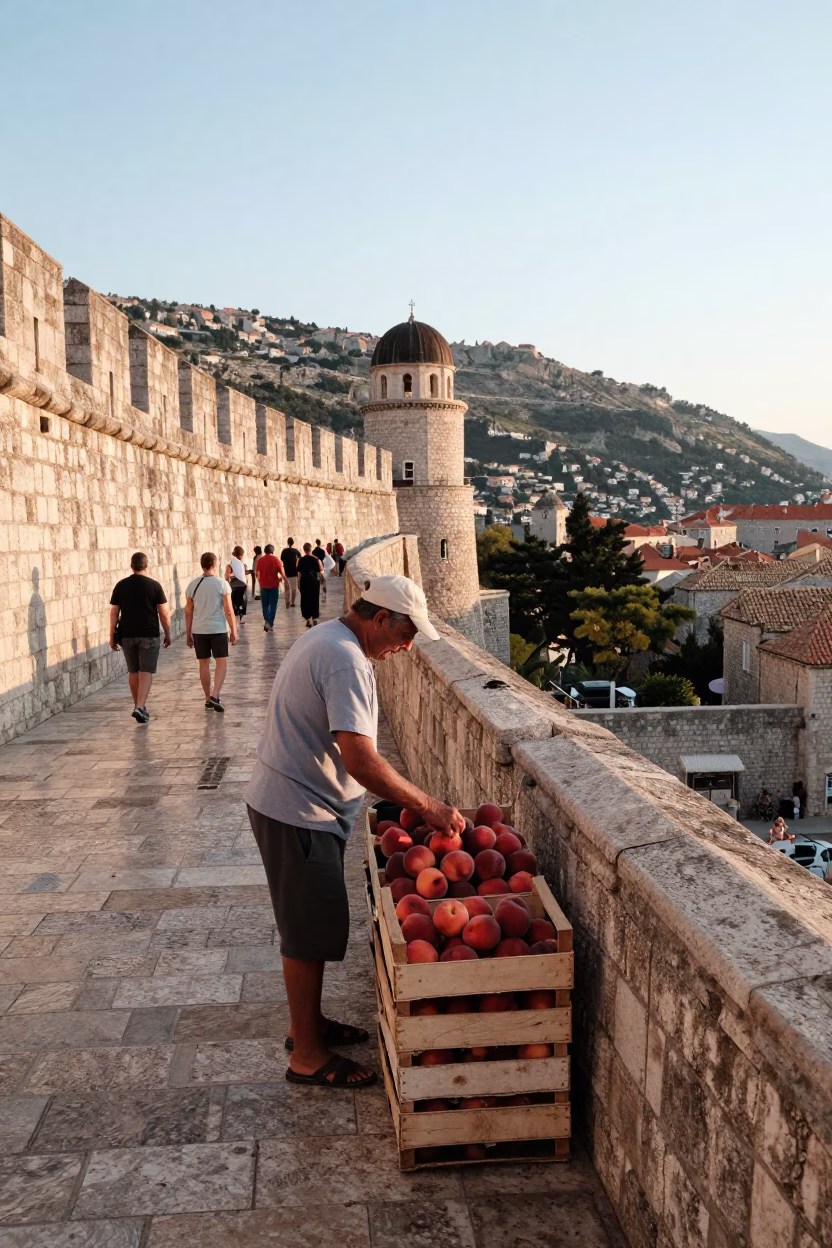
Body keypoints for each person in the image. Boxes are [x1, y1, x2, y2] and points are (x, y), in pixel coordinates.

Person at [245, 574, 464, 1089]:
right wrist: (428, 805)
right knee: (307, 934)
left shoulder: (330, 639)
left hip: (294, 802)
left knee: (313, 924)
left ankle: (310, 1026)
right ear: (380, 618)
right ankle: (307, 1055)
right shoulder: (345, 659)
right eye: (406, 633)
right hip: (298, 809)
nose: (408, 647)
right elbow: (362, 760)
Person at [109, 552, 171, 724]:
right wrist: (168, 633)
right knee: (146, 671)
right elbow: (164, 613)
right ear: (146, 565)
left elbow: (114, 612)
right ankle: (140, 706)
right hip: (148, 634)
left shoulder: (121, 585)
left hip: (126, 635)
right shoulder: (154, 586)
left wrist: (111, 636)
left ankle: (139, 706)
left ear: (132, 565)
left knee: (133, 671)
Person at [185, 552, 238, 712]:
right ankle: (215, 694)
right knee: (221, 662)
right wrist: (234, 630)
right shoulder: (222, 584)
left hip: (199, 630)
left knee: (204, 664)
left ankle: (207, 698)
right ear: (215, 564)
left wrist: (188, 633)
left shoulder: (192, 585)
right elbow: (228, 610)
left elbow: (188, 611)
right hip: (218, 629)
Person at [256, 544, 287, 632]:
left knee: (265, 605)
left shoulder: (260, 560)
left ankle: (266, 621)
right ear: (272, 551)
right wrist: (285, 581)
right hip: (273, 586)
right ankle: (270, 623)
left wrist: (260, 583)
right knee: (273, 605)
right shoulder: (275, 559)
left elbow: (258, 574)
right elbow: (282, 573)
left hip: (263, 586)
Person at [296, 543, 324, 628]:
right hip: (314, 581)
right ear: (311, 549)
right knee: (314, 599)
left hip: (304, 580)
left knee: (305, 599)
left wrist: (298, 583)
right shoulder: (316, 559)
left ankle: (308, 618)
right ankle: (312, 617)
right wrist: (323, 582)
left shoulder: (301, 560)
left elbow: (298, 571)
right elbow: (321, 569)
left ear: (304, 550)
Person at [226, 546, 248, 625]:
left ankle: (235, 618)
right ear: (241, 555)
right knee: (242, 602)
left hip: (234, 586)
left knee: (234, 602)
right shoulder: (242, 563)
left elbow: (227, 575)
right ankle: (241, 618)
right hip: (242, 585)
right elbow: (245, 573)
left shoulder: (231, 563)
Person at [280, 538, 301, 609]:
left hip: (286, 572)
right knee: (294, 589)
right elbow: (300, 558)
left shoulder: (284, 551)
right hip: (294, 572)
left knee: (287, 588)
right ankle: (292, 602)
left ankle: (287, 601)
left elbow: (282, 559)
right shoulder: (296, 551)